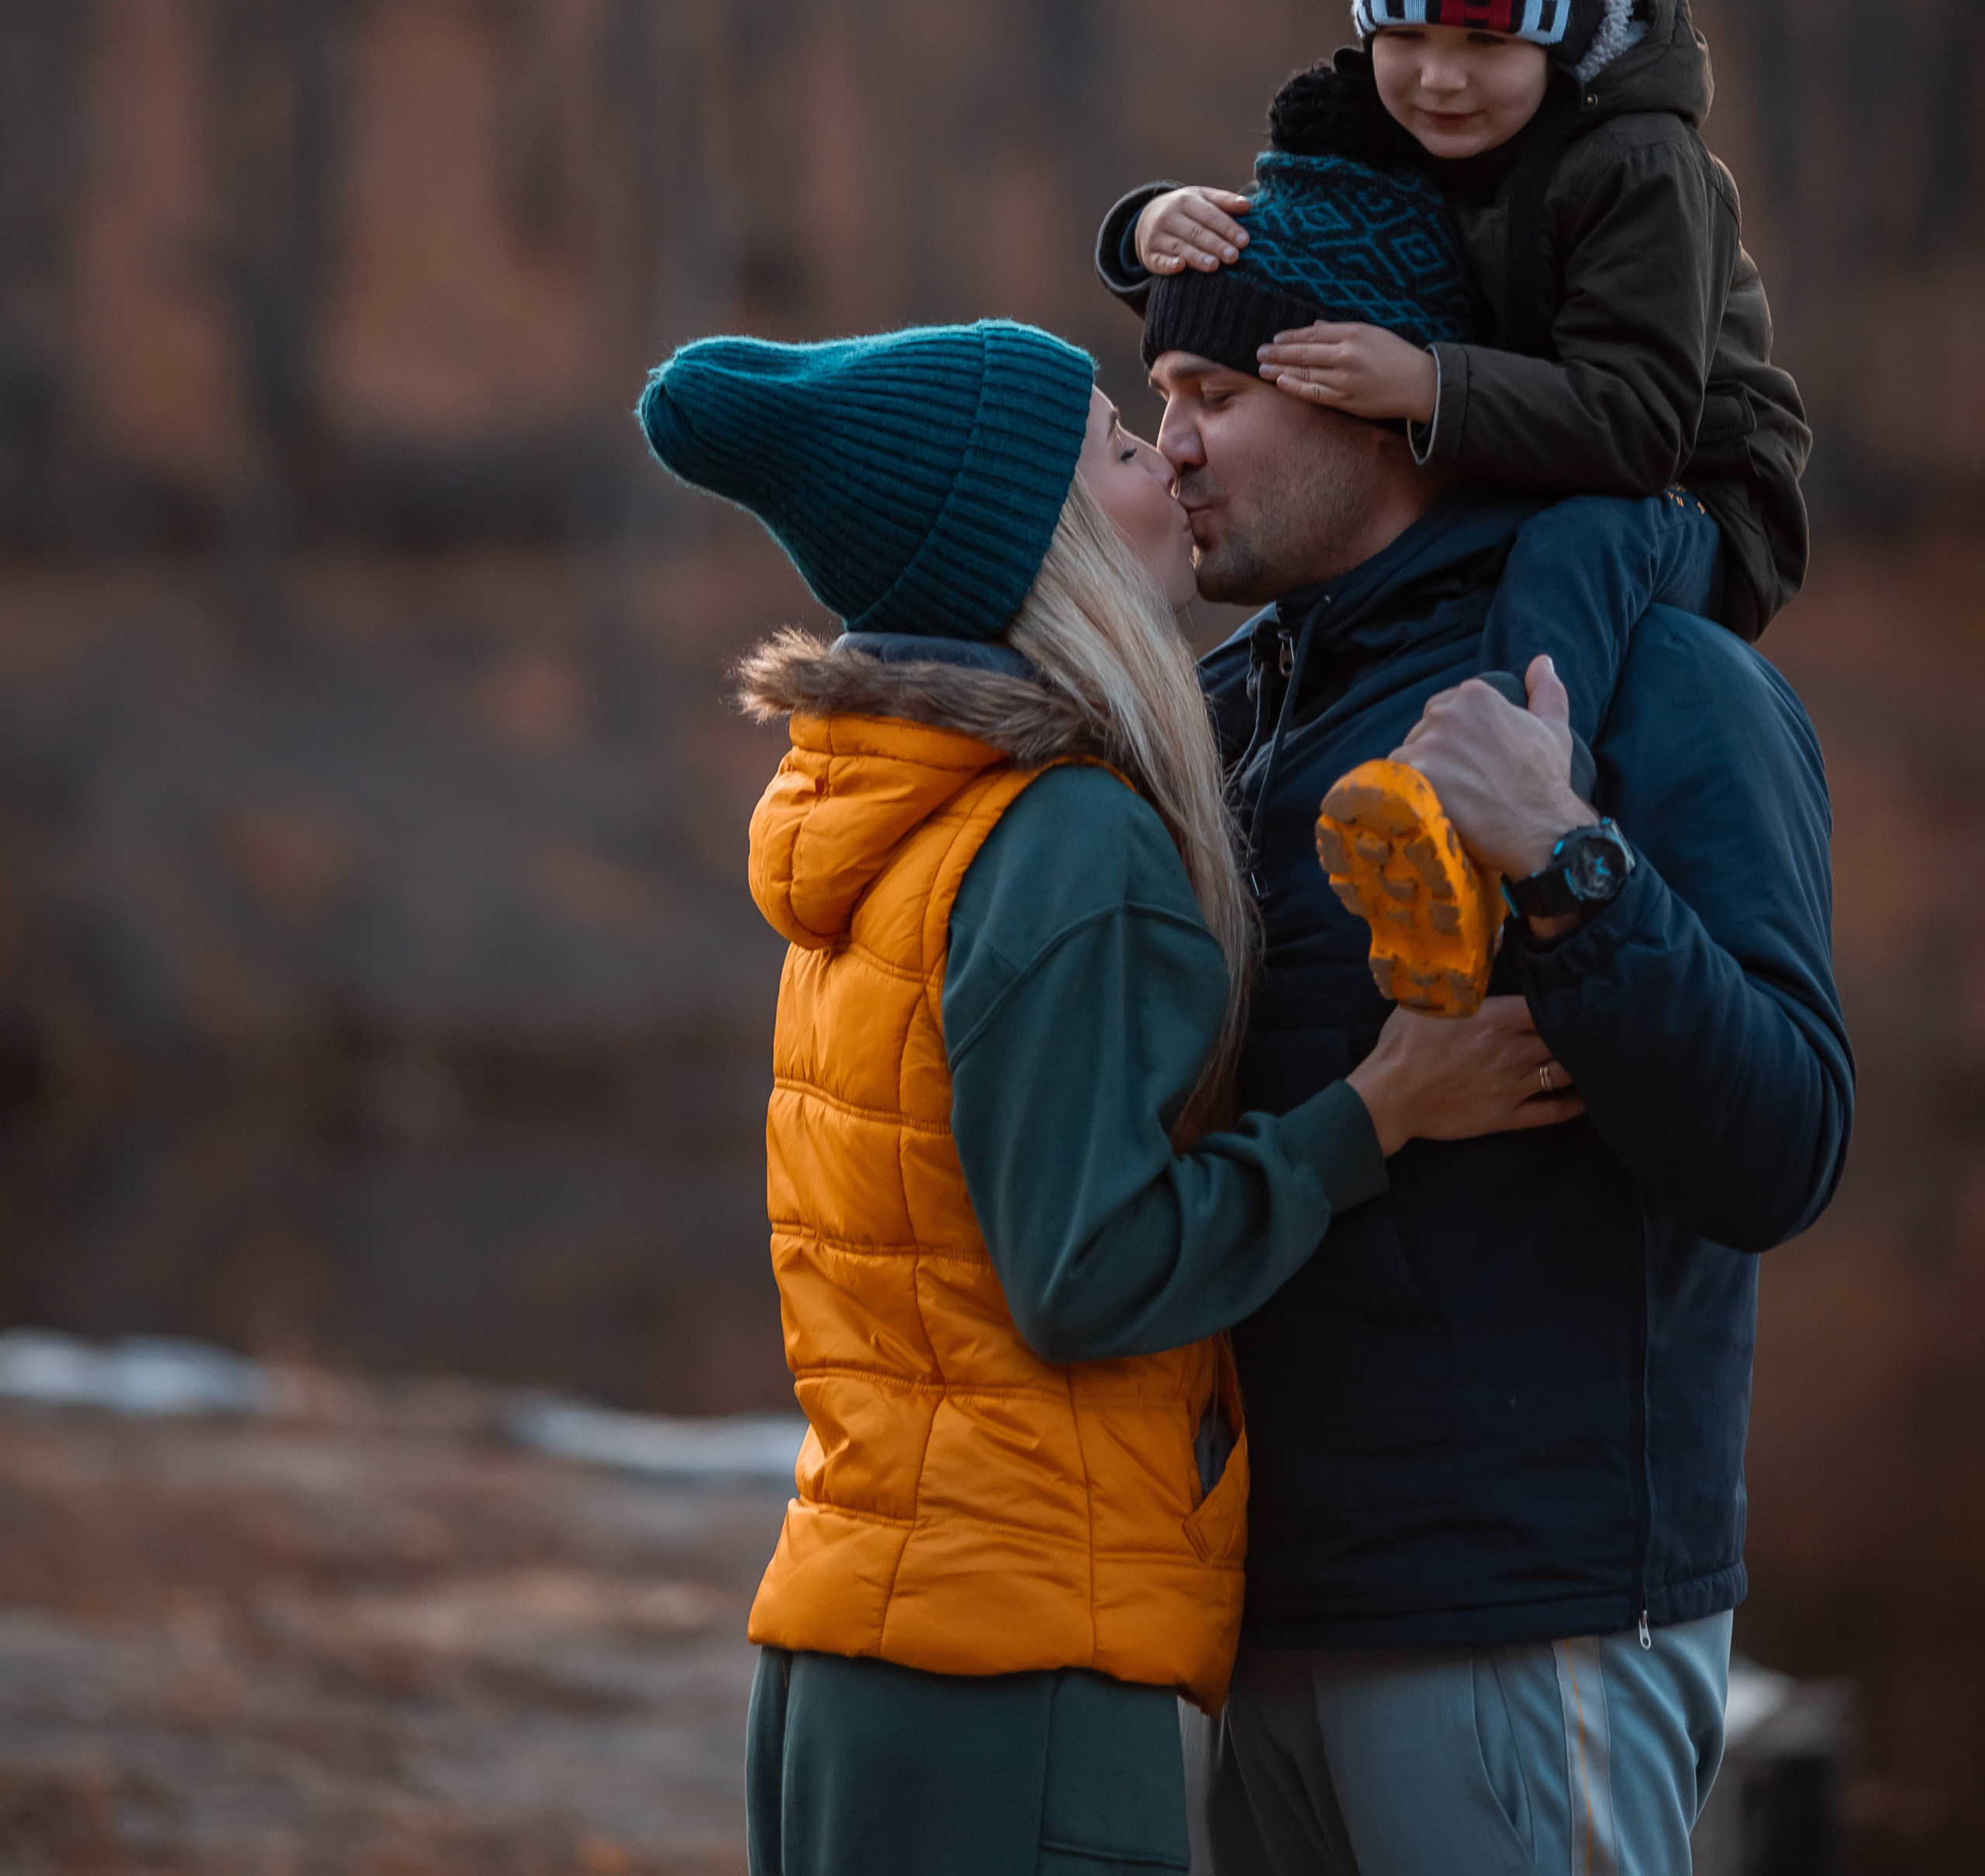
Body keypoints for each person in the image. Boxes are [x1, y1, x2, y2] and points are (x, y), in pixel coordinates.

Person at [634, 317, 1576, 1876]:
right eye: (1121, 448)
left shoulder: (885, 830)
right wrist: (1380, 1111)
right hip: (1015, 1683)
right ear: (1048, 537)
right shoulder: (1064, 840)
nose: (1170, 459)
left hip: (855, 1642)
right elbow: (1088, 1271)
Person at [1110, 200, 1852, 1873]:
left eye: (1214, 394)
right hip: (1247, 1599)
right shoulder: (1234, 711)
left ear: (1376, 400)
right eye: (1155, 399)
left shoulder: (1660, 685)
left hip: (1520, 1612)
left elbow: (1781, 1145)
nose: (1171, 450)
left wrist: (1572, 870)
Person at [1100, 0, 1811, 657]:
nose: (1439, 78)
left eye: (1483, 45)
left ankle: (1525, 758)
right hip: (1520, 455)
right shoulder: (1418, 128)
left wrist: (1431, 388)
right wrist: (1150, 231)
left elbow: (1639, 424)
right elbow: (1283, 310)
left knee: (1566, 551)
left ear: (1559, 37)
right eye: (1406, 34)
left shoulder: (1636, 165)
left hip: (1693, 495)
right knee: (1346, 594)